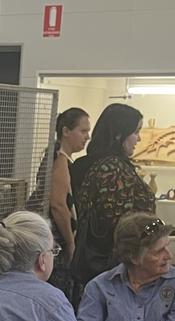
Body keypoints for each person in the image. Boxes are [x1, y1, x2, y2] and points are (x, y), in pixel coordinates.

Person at [70, 103, 155, 292]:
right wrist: (156, 228)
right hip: (114, 270)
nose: (139, 139)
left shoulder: (100, 164)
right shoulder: (111, 168)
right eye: (136, 132)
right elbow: (122, 225)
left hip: (113, 266)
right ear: (119, 134)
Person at [46, 107, 91, 301]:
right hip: (58, 241)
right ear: (65, 131)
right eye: (83, 131)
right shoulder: (59, 159)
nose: (87, 137)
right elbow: (58, 204)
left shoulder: (60, 158)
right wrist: (71, 243)